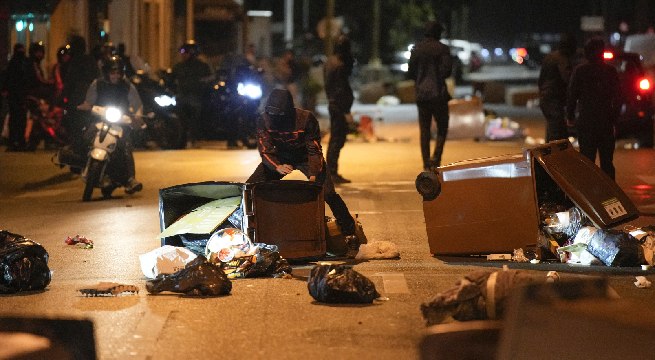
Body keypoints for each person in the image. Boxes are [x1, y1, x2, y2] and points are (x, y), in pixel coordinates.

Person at [246, 88, 360, 258]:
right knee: (250, 188)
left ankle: (350, 234)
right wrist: (277, 166)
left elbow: (314, 150)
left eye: (279, 114)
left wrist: (314, 175)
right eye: (272, 113)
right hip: (281, 157)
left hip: (306, 156)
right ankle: (248, 236)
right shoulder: (264, 120)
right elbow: (265, 150)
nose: (275, 118)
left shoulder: (306, 118)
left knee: (328, 193)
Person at [78, 55, 144, 195]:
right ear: (106, 73)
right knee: (85, 135)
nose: (115, 76)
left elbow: (137, 104)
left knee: (125, 144)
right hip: (99, 120)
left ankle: (131, 179)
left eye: (118, 73)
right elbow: (88, 102)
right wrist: (84, 107)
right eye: (112, 73)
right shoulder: (97, 84)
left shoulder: (127, 86)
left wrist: (137, 116)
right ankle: (78, 163)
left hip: (120, 123)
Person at [566, 37, 621, 180]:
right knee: (607, 163)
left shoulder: (580, 71)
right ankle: (610, 194)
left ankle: (589, 197)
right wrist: (613, 119)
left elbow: (572, 96)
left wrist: (570, 116)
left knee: (587, 161)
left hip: (587, 121)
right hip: (605, 122)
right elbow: (618, 98)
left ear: (586, 52)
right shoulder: (611, 71)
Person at [408, 20, 453, 172]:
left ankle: (426, 163)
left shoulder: (417, 49)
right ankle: (436, 159)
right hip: (438, 95)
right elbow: (447, 71)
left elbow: (410, 71)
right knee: (442, 127)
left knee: (425, 130)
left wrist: (421, 81)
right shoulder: (442, 49)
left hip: (422, 95)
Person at [323, 35, 355, 184]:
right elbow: (342, 90)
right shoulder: (339, 65)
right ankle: (332, 172)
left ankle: (331, 171)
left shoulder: (329, 62)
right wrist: (346, 111)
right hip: (339, 106)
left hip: (333, 104)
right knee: (337, 139)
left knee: (335, 138)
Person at [538, 32, 578, 143]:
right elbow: (568, 77)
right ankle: (554, 157)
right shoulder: (562, 59)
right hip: (553, 99)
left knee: (552, 130)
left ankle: (548, 156)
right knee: (558, 133)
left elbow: (541, 80)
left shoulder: (550, 56)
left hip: (546, 97)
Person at [171, 41, 212, 148]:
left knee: (195, 119)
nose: (184, 55)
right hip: (182, 97)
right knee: (181, 119)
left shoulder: (202, 66)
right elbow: (170, 79)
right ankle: (182, 139)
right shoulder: (179, 66)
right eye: (183, 52)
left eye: (187, 52)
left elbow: (209, 80)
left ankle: (192, 138)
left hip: (196, 98)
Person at [3, 43, 31, 151]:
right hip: (17, 95)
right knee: (17, 119)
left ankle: (17, 141)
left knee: (18, 119)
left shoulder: (17, 63)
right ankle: (16, 141)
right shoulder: (18, 63)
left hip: (18, 96)